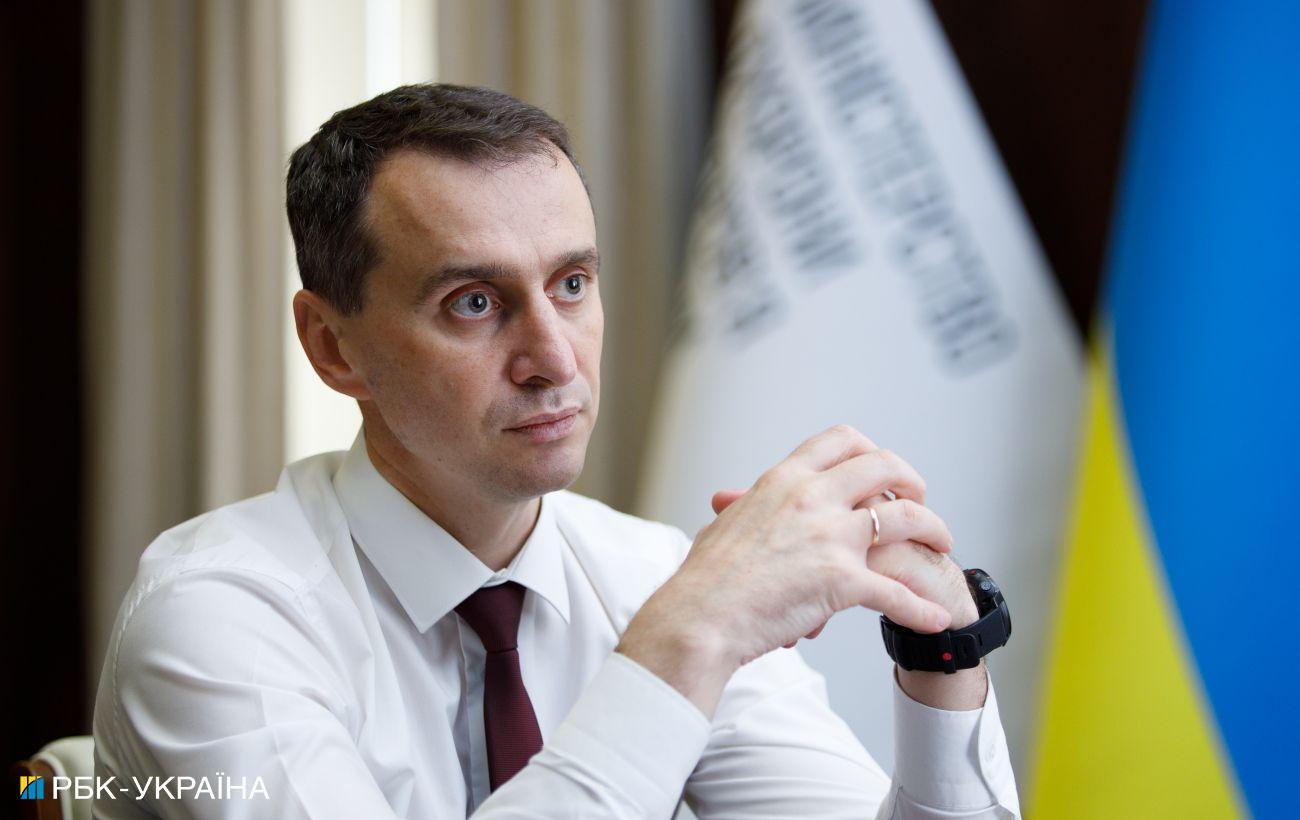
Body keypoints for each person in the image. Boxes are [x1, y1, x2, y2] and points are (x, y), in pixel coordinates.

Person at [92, 83, 1020, 819]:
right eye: (474, 303)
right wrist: (689, 635)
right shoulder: (216, 614)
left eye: (572, 284)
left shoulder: (654, 576)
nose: (554, 359)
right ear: (333, 347)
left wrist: (943, 651)